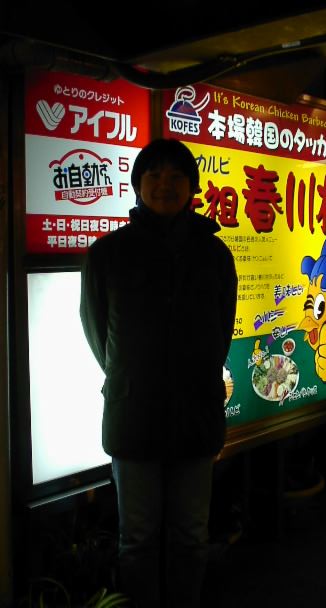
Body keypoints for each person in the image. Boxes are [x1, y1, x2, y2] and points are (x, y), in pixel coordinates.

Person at [80, 138, 238, 607]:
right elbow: (96, 330)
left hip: (196, 412)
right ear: (137, 185)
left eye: (175, 176)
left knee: (191, 534)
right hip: (134, 413)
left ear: (191, 186)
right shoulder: (108, 253)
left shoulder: (215, 255)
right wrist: (130, 375)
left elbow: (222, 330)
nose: (164, 184)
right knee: (138, 538)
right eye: (154, 175)